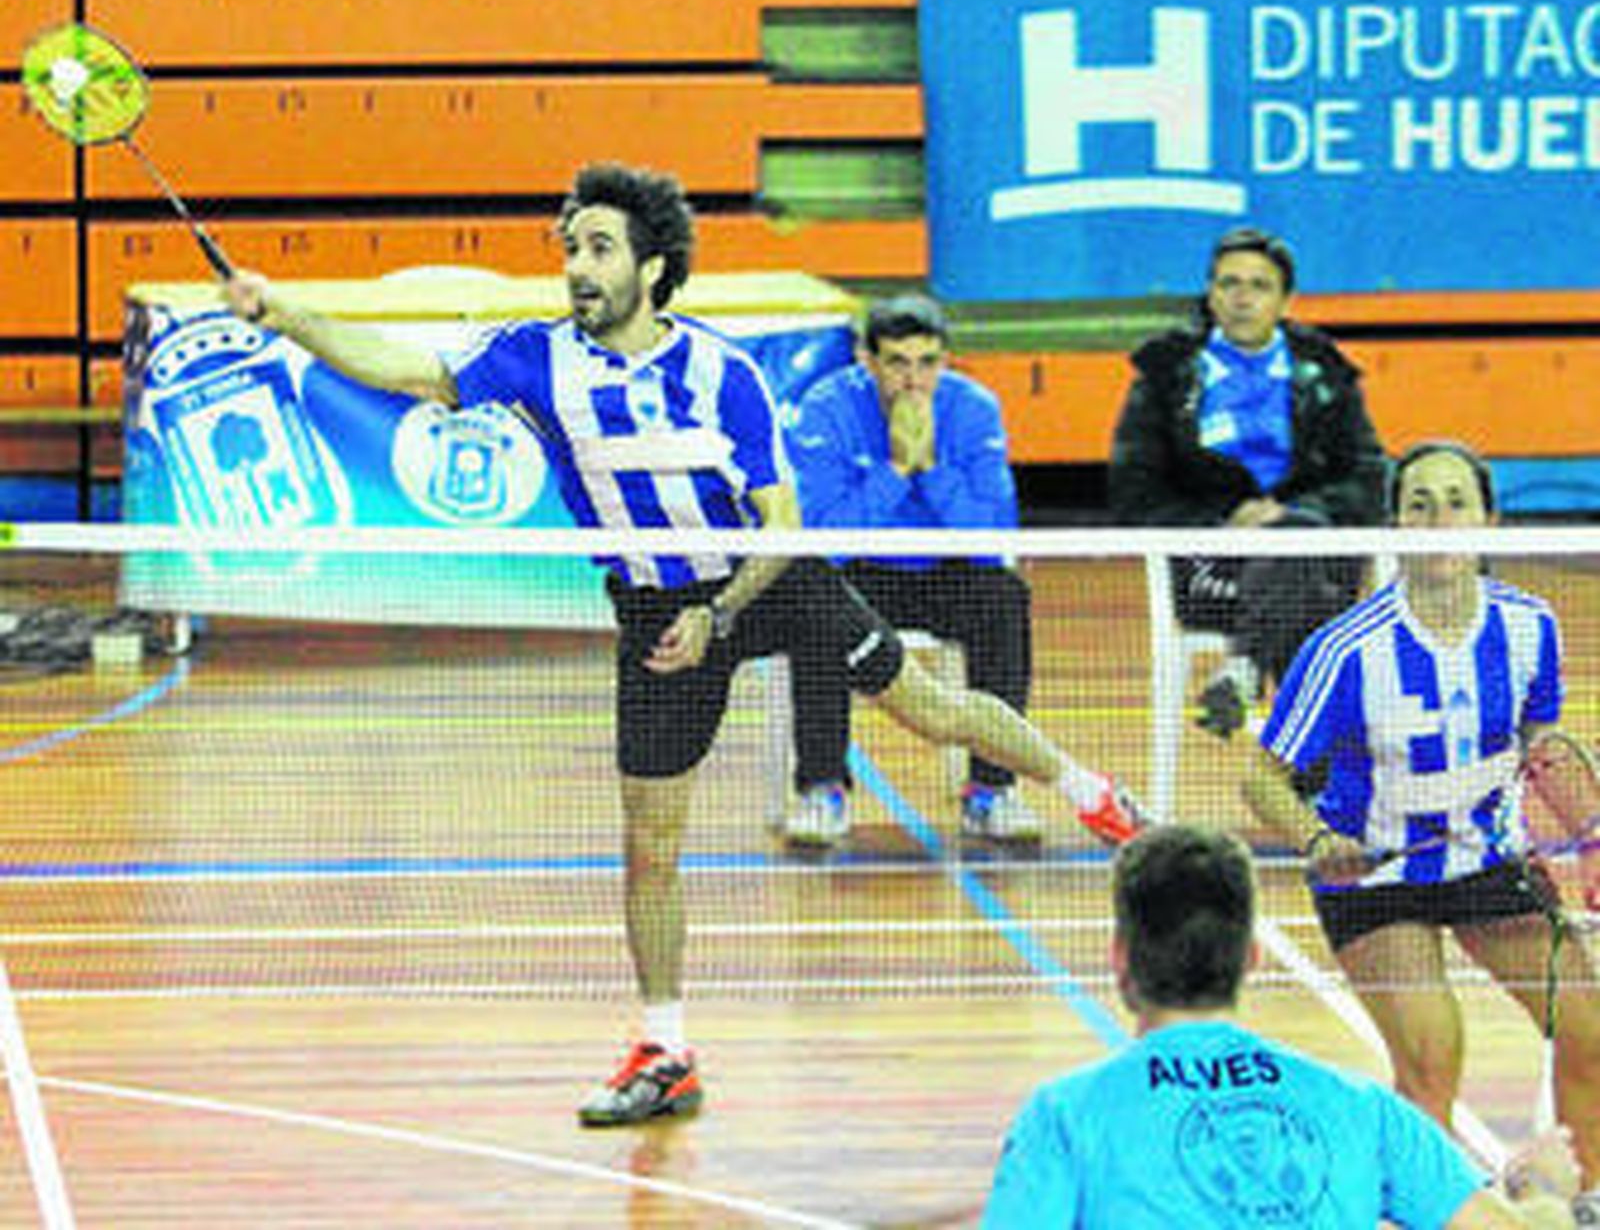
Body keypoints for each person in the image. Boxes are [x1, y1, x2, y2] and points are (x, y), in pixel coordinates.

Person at [219, 162, 1145, 1127]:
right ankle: (666, 1050)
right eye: (570, 247)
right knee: (649, 846)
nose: (577, 265)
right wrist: (281, 312)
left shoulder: (721, 372)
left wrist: (724, 613)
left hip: (767, 579)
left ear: (652, 268)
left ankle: (1098, 798)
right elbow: (398, 365)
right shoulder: (534, 358)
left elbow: (781, 522)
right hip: (657, 612)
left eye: (599, 248)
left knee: (931, 710)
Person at [1243, 439, 1600, 1221]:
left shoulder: (1530, 627)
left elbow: (1542, 745)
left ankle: (1584, 1204)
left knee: (1590, 1026)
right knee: (1433, 1052)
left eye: (1456, 502)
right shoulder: (1346, 649)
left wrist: (1593, 836)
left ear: (1490, 518)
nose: (1439, 520)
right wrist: (1314, 839)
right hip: (1375, 880)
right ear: (1395, 521)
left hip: (1488, 864)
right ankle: (1429, 1214)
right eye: (1419, 504)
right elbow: (1259, 775)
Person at [985, 823, 1581, 1228]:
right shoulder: (1363, 1109)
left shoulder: (1062, 1116)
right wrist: (1542, 1191)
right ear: (1252, 957)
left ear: (1119, 954)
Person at [1108, 226, 1388, 738]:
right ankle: (1312, 789)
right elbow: (1134, 490)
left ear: (1286, 300)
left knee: (1301, 557)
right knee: (1315, 613)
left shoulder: (1325, 372)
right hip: (1210, 567)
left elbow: (1369, 479)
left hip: (1315, 551)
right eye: (1228, 284)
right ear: (1210, 294)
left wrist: (1287, 520)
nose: (1241, 298)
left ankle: (1244, 669)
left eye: (1259, 286)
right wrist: (1222, 520)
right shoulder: (1167, 375)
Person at [782, 293, 1038, 847]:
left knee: (1005, 598)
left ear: (946, 360)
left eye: (928, 363)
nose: (914, 381)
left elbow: (992, 540)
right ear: (866, 360)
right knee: (812, 600)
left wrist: (934, 471)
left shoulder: (974, 410)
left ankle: (991, 792)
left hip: (948, 572)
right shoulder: (826, 409)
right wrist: (896, 470)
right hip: (862, 575)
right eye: (897, 363)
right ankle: (822, 788)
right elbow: (823, 539)